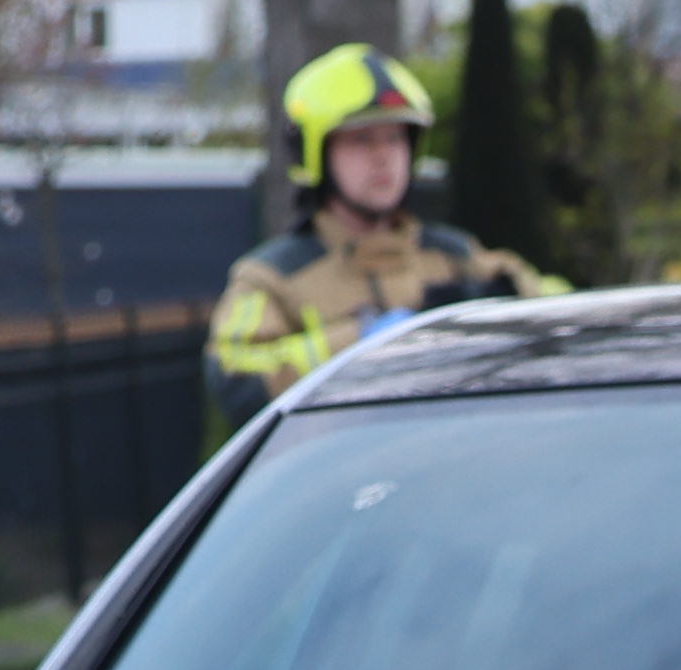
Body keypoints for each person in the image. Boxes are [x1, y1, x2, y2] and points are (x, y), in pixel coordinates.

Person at [208, 44, 554, 419]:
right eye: (361, 139)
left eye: (395, 138)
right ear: (315, 152)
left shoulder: (456, 254)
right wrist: (361, 339)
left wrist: (504, 301)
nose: (384, 156)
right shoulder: (272, 275)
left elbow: (565, 308)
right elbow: (235, 377)